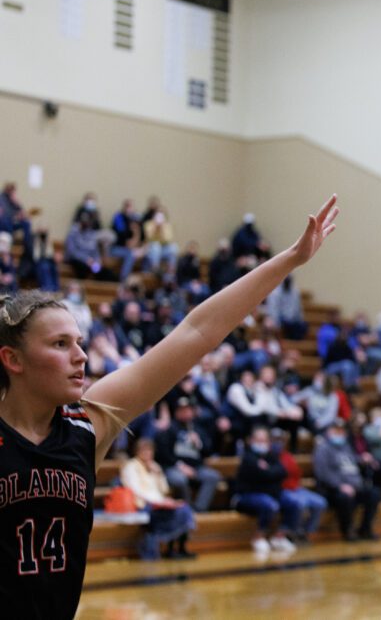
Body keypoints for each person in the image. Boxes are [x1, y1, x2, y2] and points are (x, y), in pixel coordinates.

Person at [0, 195, 338, 617]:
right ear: (12, 359)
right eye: (60, 344)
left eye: (81, 343)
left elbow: (197, 331)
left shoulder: (88, 425)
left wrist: (289, 259)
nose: (81, 356)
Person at [119, 437, 196, 560]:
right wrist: (159, 502)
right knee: (176, 512)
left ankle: (179, 548)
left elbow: (164, 490)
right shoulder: (131, 466)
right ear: (137, 451)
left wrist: (158, 474)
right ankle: (171, 549)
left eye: (149, 451)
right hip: (142, 505)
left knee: (184, 508)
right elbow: (134, 490)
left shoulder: (155, 466)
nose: (147, 453)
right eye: (144, 451)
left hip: (159, 503)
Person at [232, 426, 298, 555]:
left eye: (264, 440)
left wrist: (268, 471)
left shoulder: (272, 455)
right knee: (270, 504)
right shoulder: (248, 457)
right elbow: (262, 475)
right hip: (247, 496)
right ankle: (258, 537)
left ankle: (280, 536)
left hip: (270, 493)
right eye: (258, 440)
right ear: (251, 441)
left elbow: (283, 472)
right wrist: (270, 473)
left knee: (293, 502)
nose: (261, 443)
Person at [314, 418, 380, 541]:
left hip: (355, 486)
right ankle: (347, 530)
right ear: (329, 431)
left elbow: (351, 462)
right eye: (336, 431)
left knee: (374, 493)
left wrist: (362, 459)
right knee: (345, 497)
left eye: (341, 431)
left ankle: (365, 529)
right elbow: (322, 473)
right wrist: (340, 485)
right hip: (333, 489)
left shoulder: (346, 446)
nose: (339, 434)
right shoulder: (323, 448)